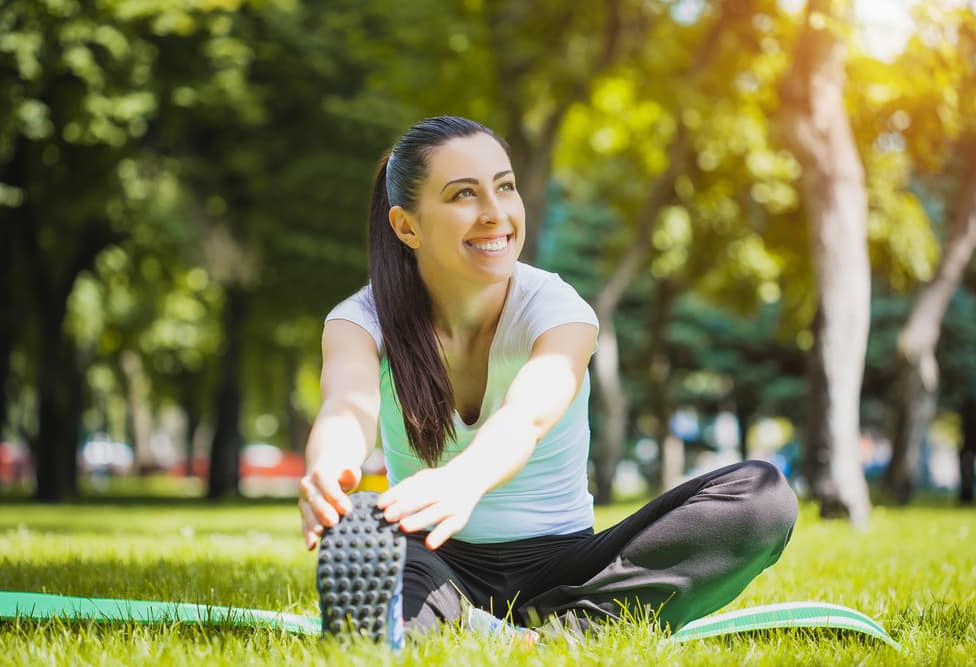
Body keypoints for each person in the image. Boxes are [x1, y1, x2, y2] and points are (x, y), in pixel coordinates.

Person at [298, 115, 798, 642]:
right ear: (407, 226)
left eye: (505, 187)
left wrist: (464, 478)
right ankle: (494, 625)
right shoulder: (361, 319)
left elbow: (526, 414)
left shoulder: (558, 308)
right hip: (434, 560)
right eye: (464, 194)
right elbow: (346, 407)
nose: (496, 214)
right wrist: (330, 471)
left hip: (564, 564)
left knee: (763, 498)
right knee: (392, 582)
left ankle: (550, 628)